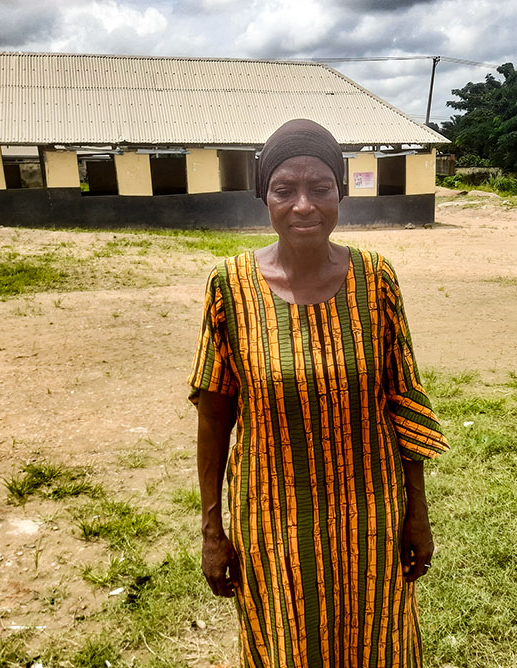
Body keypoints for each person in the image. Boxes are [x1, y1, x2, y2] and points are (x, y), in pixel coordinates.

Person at [189, 119, 448, 668]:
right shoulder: (229, 287)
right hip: (272, 518)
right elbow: (214, 414)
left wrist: (416, 511)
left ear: (341, 195)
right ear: (264, 197)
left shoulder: (377, 278)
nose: (303, 205)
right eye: (284, 190)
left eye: (321, 189)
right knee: (286, 647)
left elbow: (402, 399)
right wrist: (213, 529)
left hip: (371, 516)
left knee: (378, 645)